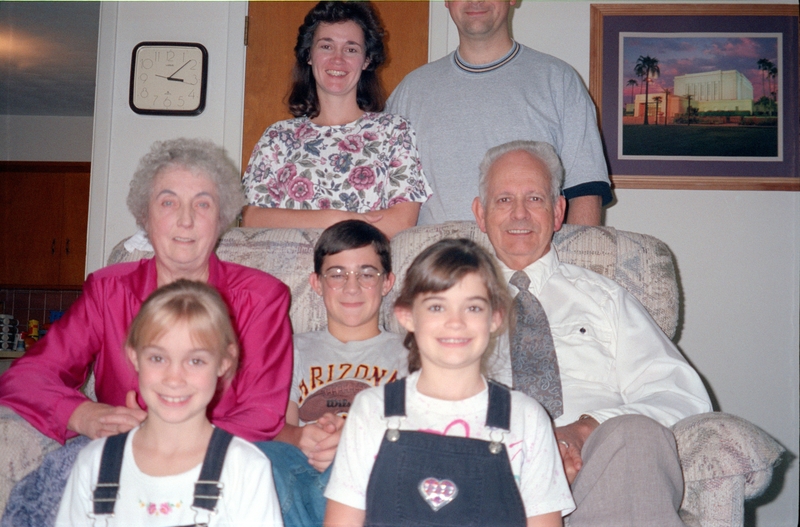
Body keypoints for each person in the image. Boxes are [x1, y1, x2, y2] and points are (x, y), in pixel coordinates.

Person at [0, 138, 292, 526]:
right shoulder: (108, 291)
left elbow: (261, 413)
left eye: (202, 204)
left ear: (221, 218)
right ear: (145, 216)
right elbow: (27, 377)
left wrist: (173, 446)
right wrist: (80, 413)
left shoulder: (261, 298)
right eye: (168, 202)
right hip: (118, 460)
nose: (185, 220)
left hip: (220, 459)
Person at [471, 140, 712, 526]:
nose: (519, 213)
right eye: (503, 200)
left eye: (534, 198)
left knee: (636, 436)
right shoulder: (448, 304)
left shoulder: (605, 298)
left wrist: (585, 429)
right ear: (480, 214)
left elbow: (682, 396)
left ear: (558, 211)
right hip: (492, 471)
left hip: (600, 473)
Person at [324, 238, 574, 527]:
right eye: (436, 307)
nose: (455, 322)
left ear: (495, 318)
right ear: (407, 316)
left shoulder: (526, 418)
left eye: (473, 308)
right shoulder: (372, 410)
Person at [55, 280, 284, 527]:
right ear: (135, 357)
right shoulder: (94, 464)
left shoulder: (245, 468)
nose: (174, 379)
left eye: (195, 361)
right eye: (157, 358)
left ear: (224, 362)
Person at [386, 0, 612, 227]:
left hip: (529, 260)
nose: (475, 1)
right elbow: (384, 198)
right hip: (435, 259)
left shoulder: (559, 81)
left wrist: (578, 262)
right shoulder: (410, 91)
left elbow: (586, 190)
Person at [259, 220, 408, 527]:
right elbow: (277, 428)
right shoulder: (291, 348)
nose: (351, 287)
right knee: (261, 456)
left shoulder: (408, 353)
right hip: (303, 469)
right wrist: (301, 436)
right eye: (336, 274)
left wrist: (352, 442)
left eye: (367, 274)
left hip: (369, 469)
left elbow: (415, 433)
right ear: (316, 283)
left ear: (387, 282)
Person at [241, 1, 432, 238]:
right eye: (326, 46)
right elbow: (251, 219)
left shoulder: (393, 132)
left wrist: (311, 222)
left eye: (351, 49)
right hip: (287, 272)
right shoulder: (277, 137)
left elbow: (401, 222)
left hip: (363, 272)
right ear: (309, 55)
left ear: (366, 60)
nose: (337, 59)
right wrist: (335, 218)